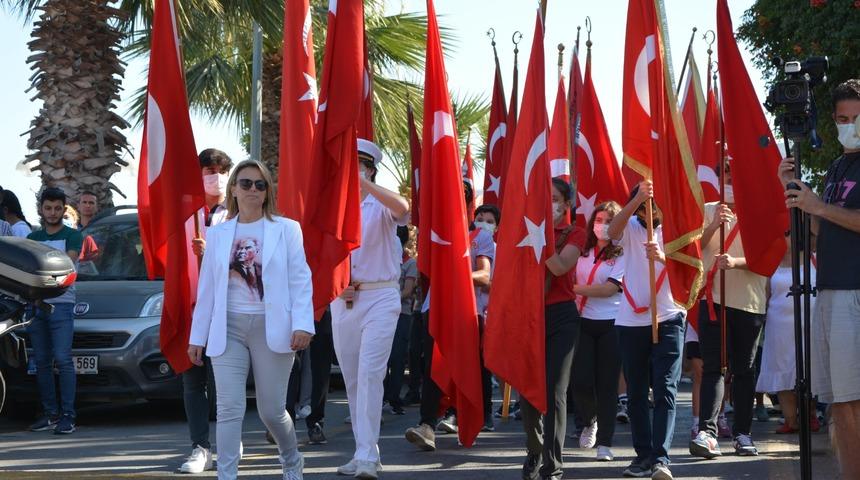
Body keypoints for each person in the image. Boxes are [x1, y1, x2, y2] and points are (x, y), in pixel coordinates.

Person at [188, 160, 312, 480]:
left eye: (260, 184)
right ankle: (227, 474)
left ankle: (291, 458)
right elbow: (208, 289)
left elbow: (300, 279)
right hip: (227, 328)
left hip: (273, 328)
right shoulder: (218, 234)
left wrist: (303, 324)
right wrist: (196, 336)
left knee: (271, 410)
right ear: (233, 189)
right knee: (229, 408)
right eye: (246, 183)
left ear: (268, 190)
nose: (253, 190)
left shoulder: (286, 229)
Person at [779, 79, 860, 478]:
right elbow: (818, 231)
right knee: (838, 403)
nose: (850, 125)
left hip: (854, 293)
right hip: (828, 289)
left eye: (857, 118)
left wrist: (820, 207)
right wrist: (798, 195)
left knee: (852, 402)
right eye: (843, 119)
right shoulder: (836, 166)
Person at [333, 139, 410, 480]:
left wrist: (362, 185)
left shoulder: (380, 206)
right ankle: (364, 450)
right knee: (352, 379)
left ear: (370, 169)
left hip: (381, 296)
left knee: (369, 374)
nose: (355, 168)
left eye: (361, 164)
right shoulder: (333, 205)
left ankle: (367, 456)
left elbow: (404, 209)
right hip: (344, 300)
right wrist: (336, 284)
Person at [403, 181, 493, 451]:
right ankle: (427, 425)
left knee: (468, 370)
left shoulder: (481, 237)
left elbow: (485, 276)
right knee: (434, 367)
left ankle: (468, 419)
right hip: (435, 309)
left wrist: (456, 276)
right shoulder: (435, 235)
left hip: (468, 312)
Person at [607, 180, 686, 480]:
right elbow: (611, 232)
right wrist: (636, 198)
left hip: (669, 318)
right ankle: (643, 456)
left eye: (651, 203)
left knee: (665, 388)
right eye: (642, 205)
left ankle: (661, 458)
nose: (647, 210)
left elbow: (692, 270)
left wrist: (664, 257)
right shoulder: (630, 228)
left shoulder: (678, 230)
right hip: (630, 322)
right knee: (637, 392)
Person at [690, 165, 768, 459]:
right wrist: (713, 225)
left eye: (737, 177)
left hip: (749, 302)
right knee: (712, 368)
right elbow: (692, 249)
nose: (732, 182)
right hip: (712, 300)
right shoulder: (708, 209)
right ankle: (707, 432)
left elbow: (767, 257)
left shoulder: (759, 211)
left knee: (744, 371)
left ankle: (743, 434)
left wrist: (736, 263)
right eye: (727, 177)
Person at [520, 178, 585, 480]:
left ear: (567, 204)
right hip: (530, 315)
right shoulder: (523, 232)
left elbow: (560, 267)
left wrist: (539, 238)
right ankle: (534, 449)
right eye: (547, 199)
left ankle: (553, 464)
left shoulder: (576, 233)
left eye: (556, 199)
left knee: (555, 391)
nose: (552, 204)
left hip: (562, 316)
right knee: (529, 388)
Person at [181, 148, 234, 474]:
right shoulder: (187, 212)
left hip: (228, 309)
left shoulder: (239, 211)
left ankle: (230, 440)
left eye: (220, 169)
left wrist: (211, 250)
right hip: (191, 304)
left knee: (224, 382)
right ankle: (200, 447)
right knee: (192, 381)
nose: (215, 175)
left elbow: (250, 260)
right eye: (208, 169)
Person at [26, 187, 84, 435]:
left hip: (62, 305)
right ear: (41, 209)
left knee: (62, 359)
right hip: (36, 306)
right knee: (41, 362)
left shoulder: (73, 236)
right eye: (48, 208)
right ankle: (50, 414)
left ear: (64, 208)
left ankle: (68, 415)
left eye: (57, 208)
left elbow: (66, 268)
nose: (52, 213)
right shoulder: (32, 238)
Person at [571, 201, 625, 462]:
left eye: (608, 221)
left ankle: (605, 442)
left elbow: (609, 290)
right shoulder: (582, 251)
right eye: (599, 219)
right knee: (580, 380)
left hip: (611, 323)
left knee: (606, 385)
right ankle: (589, 419)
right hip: (581, 321)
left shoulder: (623, 254)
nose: (602, 225)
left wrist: (574, 291)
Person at [756, 234, 820, 434]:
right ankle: (791, 420)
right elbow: (765, 295)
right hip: (779, 329)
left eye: (793, 233)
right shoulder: (772, 263)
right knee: (782, 370)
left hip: (811, 325)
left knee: (810, 369)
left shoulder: (816, 259)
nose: (791, 238)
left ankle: (810, 415)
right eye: (785, 234)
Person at [382, 225, 417, 416]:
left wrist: (388, 296)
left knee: (396, 358)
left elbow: (408, 290)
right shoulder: (383, 260)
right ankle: (380, 398)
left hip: (401, 314)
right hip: (383, 313)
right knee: (381, 359)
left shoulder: (410, 263)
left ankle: (394, 400)